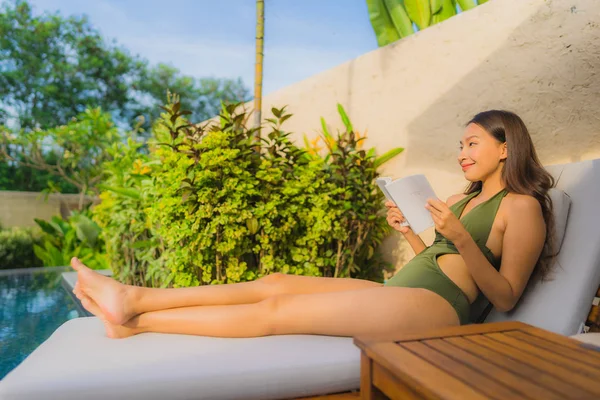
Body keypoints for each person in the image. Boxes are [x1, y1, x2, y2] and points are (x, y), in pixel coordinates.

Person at [71, 110, 555, 339]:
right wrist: (411, 231)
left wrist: (455, 237)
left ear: (506, 147)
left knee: (278, 311)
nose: (462, 154)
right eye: (461, 145)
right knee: (276, 282)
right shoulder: (461, 198)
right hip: (400, 291)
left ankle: (141, 323)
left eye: (472, 144)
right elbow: (439, 257)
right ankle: (134, 297)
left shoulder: (522, 206)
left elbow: (506, 295)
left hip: (440, 311)